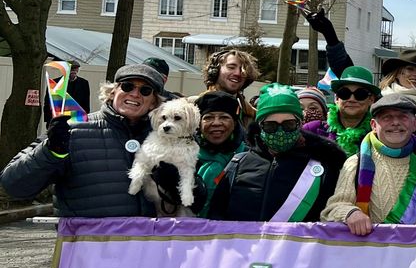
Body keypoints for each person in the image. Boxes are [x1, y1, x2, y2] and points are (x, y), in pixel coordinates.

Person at [4, 64, 195, 217]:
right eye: (127, 86)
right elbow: (14, 185)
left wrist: (181, 184)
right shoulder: (74, 128)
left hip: (151, 250)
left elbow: (199, 196)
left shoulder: (173, 136)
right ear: (113, 92)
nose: (135, 94)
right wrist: (50, 151)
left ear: (154, 102)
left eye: (145, 91)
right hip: (91, 250)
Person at [208, 84, 345, 221]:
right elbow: (216, 218)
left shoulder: (323, 169)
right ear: (260, 126)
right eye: (270, 126)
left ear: (300, 123)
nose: (280, 132)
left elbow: (332, 215)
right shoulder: (237, 165)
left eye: (289, 124)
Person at [322, 93, 416, 231]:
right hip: (374, 249)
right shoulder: (356, 163)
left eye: (403, 116)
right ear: (373, 125)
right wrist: (351, 213)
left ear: (415, 124)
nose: (396, 123)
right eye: (387, 118)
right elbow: (333, 209)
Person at [304, 66, 379, 156]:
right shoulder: (312, 130)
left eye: (360, 94)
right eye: (344, 93)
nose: (352, 99)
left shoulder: (379, 134)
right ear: (336, 98)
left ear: (371, 99)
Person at [194, 91, 246, 217]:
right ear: (199, 124)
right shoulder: (184, 159)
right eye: (208, 117)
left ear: (234, 124)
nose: (216, 123)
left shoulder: (248, 159)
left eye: (224, 117)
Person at [197, 48, 259, 126]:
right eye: (231, 67)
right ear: (215, 71)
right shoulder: (192, 109)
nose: (238, 73)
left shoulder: (254, 117)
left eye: (243, 70)